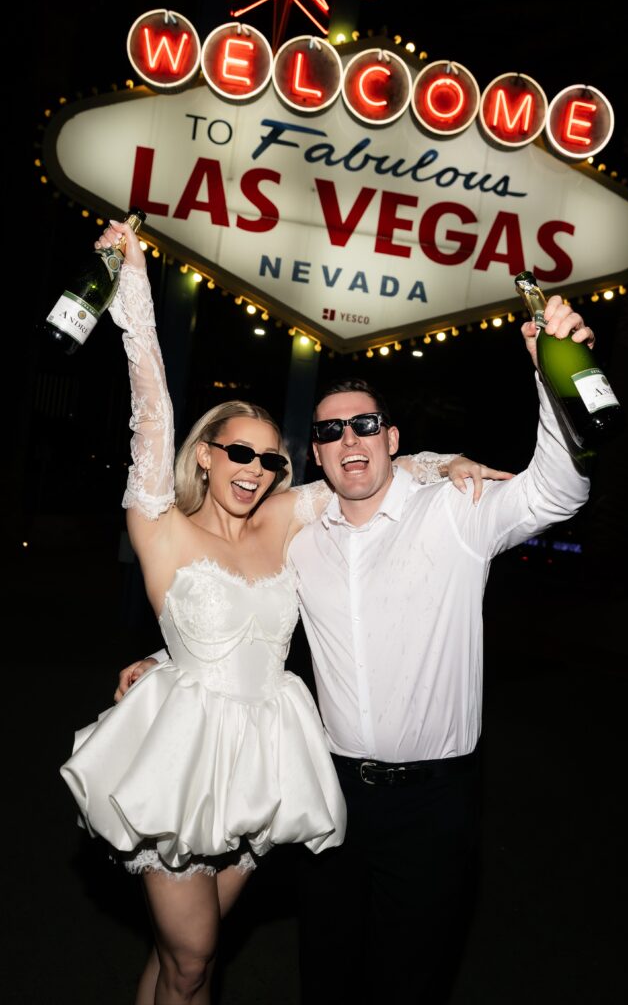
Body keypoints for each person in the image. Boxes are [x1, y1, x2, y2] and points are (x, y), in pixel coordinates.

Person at [61, 219, 508, 1005]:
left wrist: (439, 461)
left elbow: (364, 466)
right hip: (181, 764)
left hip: (263, 768)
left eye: (271, 458)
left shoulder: (282, 523)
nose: (256, 469)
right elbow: (152, 407)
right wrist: (132, 283)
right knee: (196, 956)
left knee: (181, 964)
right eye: (238, 452)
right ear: (205, 453)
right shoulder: (160, 527)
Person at [125, 282, 593, 1004]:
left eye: (366, 426)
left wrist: (549, 375)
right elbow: (226, 606)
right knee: (323, 971)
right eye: (329, 432)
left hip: (432, 800)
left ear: (391, 437)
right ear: (313, 452)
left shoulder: (454, 515)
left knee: (408, 981)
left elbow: (556, 493)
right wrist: (165, 661)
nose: (348, 441)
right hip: (329, 789)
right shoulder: (300, 531)